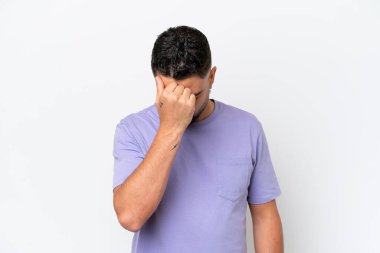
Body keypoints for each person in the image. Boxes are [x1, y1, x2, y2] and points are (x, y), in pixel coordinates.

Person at [112, 25, 284, 253]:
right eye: (172, 94)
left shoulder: (247, 128)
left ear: (211, 77)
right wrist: (170, 127)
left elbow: (264, 217)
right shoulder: (132, 130)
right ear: (157, 82)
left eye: (192, 95)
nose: (184, 105)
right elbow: (130, 217)